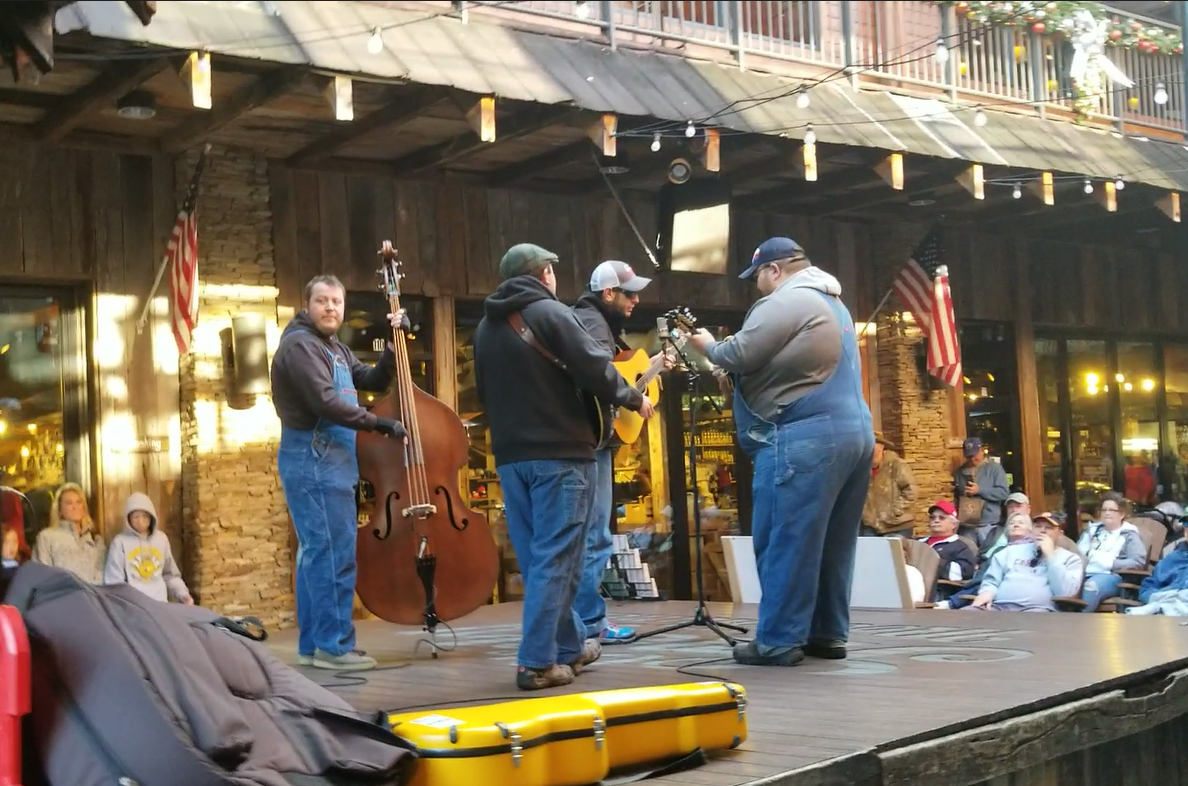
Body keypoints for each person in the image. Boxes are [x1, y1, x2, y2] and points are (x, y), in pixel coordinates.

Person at [474, 243, 652, 690]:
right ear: (545, 274)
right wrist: (633, 397)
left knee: (539, 559)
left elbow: (484, 393)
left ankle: (569, 646)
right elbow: (594, 366)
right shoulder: (550, 312)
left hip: (511, 459)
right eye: (552, 270)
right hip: (560, 454)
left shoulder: (484, 328)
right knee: (561, 560)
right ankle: (535, 663)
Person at [689, 237, 873, 667]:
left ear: (774, 270)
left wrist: (707, 345)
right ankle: (827, 633)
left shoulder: (788, 299)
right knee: (833, 543)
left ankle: (778, 640)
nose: (757, 286)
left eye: (757, 276)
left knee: (784, 540)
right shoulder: (834, 305)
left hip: (805, 435)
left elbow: (740, 351)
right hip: (854, 434)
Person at [270, 274, 409, 673]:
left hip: (330, 462)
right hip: (314, 460)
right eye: (322, 301)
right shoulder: (300, 346)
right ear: (307, 305)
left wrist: (393, 345)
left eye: (337, 301)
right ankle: (334, 647)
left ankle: (314, 646)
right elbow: (326, 402)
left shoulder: (334, 348)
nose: (331, 307)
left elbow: (372, 380)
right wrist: (379, 424)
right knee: (332, 555)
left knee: (317, 555)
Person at [571, 259, 673, 644]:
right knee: (595, 536)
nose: (636, 300)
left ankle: (582, 624)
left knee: (590, 535)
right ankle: (590, 624)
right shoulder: (593, 324)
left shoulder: (600, 325)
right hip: (590, 443)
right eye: (629, 294)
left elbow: (619, 372)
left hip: (592, 442)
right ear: (608, 293)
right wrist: (633, 398)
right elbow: (599, 376)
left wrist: (653, 369)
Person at [966, 513, 1083, 612]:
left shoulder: (1070, 558)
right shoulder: (1009, 551)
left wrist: (1051, 556)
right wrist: (987, 592)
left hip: (1038, 610)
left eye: (1049, 528)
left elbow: (1065, 592)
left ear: (1060, 534)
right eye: (1038, 526)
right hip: (998, 607)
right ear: (1032, 531)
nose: (1042, 530)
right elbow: (991, 580)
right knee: (967, 614)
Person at [104, 492, 193, 605]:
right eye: (136, 517)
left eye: (145, 516)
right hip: (135, 605)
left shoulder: (161, 539)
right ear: (128, 519)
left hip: (160, 604)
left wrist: (183, 594)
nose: (140, 521)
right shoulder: (120, 542)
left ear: (151, 517)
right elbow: (114, 582)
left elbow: (170, 575)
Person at [31, 482, 105, 584]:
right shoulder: (46, 537)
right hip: (60, 592)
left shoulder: (96, 540)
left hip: (91, 592)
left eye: (79, 502)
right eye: (69, 503)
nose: (75, 507)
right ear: (59, 509)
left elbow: (101, 574)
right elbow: (42, 576)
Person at [953, 437, 1010, 546]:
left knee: (990, 553)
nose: (972, 459)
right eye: (969, 456)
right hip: (967, 525)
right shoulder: (959, 472)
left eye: (974, 455)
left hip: (989, 524)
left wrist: (980, 490)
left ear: (982, 451)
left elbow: (1004, 493)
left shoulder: (995, 469)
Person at [860, 432, 916, 538]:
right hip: (871, 526)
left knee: (893, 548)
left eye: (872, 444)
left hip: (898, 525)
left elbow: (910, 491)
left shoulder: (897, 464)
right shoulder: (860, 469)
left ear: (881, 447)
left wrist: (894, 511)